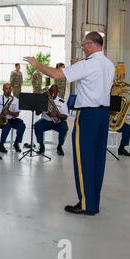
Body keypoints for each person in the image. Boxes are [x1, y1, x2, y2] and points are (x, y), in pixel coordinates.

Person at [24, 31, 114, 216]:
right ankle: (93, 202)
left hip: (88, 115)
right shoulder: (108, 64)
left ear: (90, 44)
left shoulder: (87, 64)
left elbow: (57, 74)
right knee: (97, 160)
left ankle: (86, 205)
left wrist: (36, 64)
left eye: (83, 45)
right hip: (103, 114)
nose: (82, 49)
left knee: (84, 159)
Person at [34, 85, 69, 156]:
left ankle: (59, 146)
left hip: (58, 122)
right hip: (45, 121)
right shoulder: (43, 99)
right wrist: (42, 105)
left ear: (57, 92)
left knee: (64, 127)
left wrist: (56, 115)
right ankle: (41, 146)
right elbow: (37, 113)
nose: (53, 93)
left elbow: (65, 117)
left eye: (55, 91)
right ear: (49, 92)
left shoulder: (61, 102)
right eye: (51, 91)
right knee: (37, 125)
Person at [0, 83, 26, 153]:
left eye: (10, 88)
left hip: (11, 118)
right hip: (0, 118)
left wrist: (9, 112)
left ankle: (16, 143)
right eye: (6, 88)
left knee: (22, 125)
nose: (9, 90)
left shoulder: (15, 100)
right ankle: (1, 145)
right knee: (7, 126)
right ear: (3, 89)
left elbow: (17, 114)